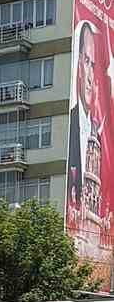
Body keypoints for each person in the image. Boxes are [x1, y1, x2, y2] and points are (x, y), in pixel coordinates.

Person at [69, 21, 98, 206]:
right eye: (86, 62)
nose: (90, 77)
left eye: (93, 65)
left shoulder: (97, 135)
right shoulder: (68, 124)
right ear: (78, 63)